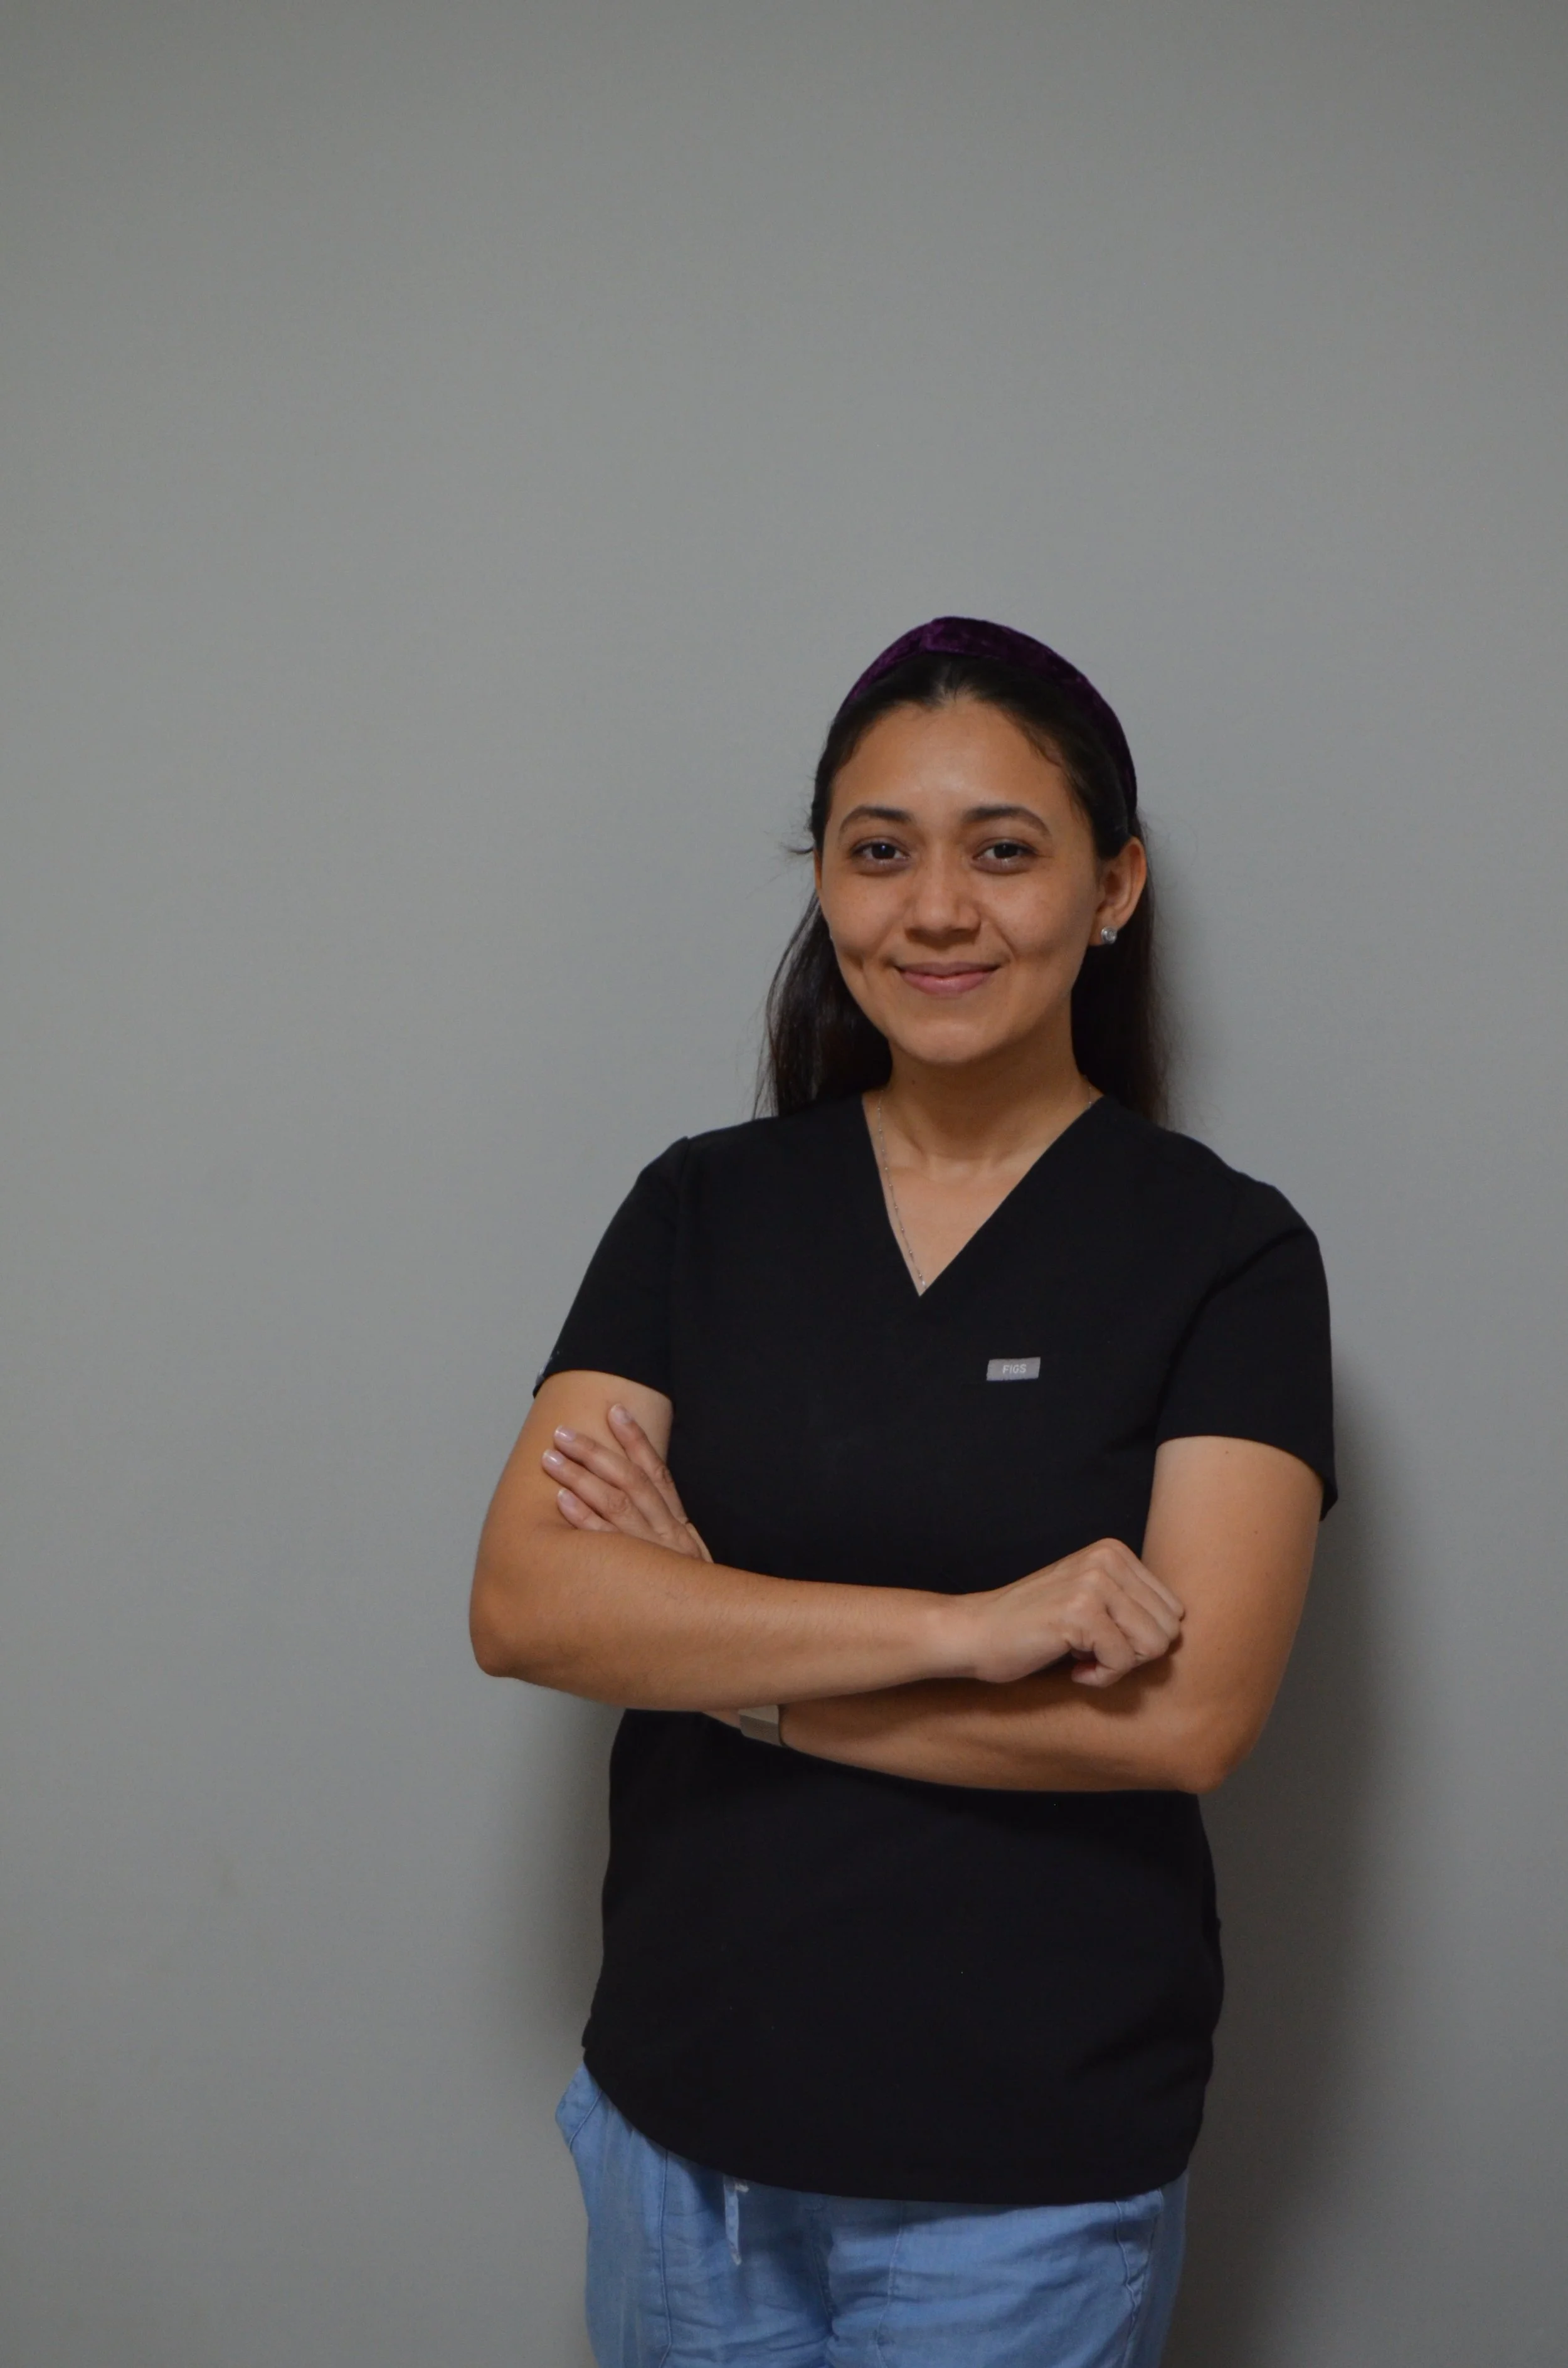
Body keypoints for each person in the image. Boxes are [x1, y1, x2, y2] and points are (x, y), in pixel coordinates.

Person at [470, 616, 1335, 2368]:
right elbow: (533, 1605)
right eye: (879, 852)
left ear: (1113, 887)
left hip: (1020, 2176)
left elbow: (1179, 1721)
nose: (934, 908)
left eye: (1002, 849)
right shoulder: (699, 1209)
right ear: (829, 888)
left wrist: (737, 1664)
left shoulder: (1222, 1252)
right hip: (681, 2143)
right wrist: (975, 1626)